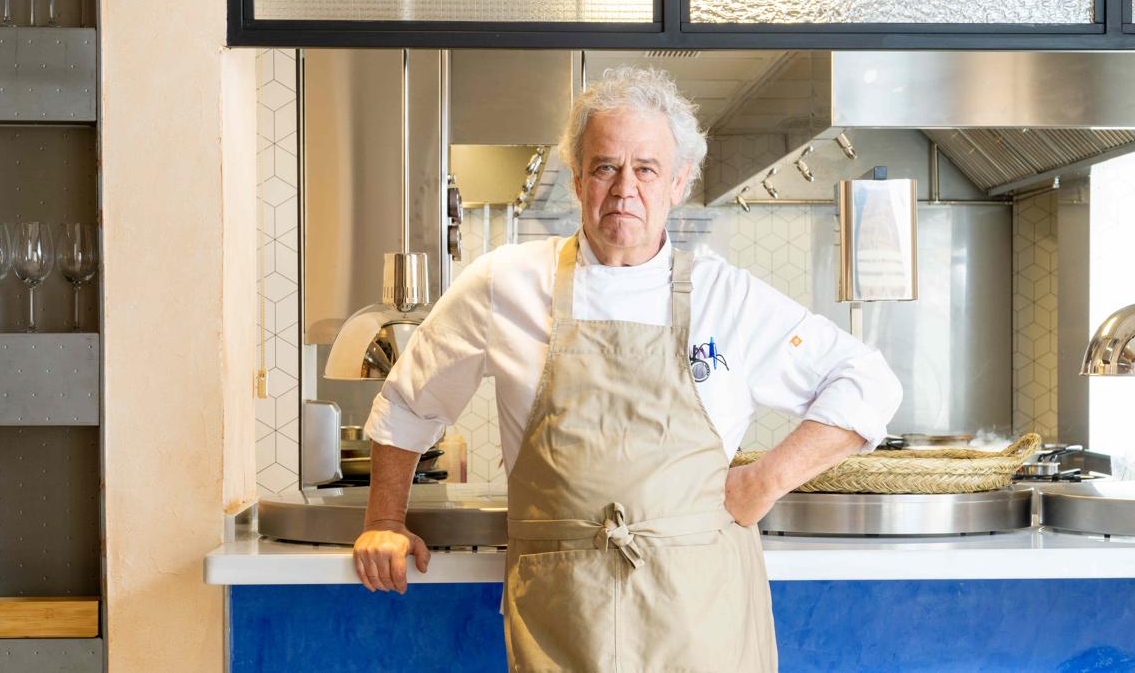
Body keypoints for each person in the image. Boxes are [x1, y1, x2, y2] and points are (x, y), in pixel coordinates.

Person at [355, 66, 902, 671]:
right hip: (564, 617)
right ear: (577, 178)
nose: (624, 189)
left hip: (699, 615)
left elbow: (868, 382)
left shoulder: (730, 298)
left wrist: (763, 482)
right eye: (605, 167)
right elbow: (410, 402)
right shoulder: (502, 283)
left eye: (645, 168)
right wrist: (384, 518)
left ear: (677, 182)